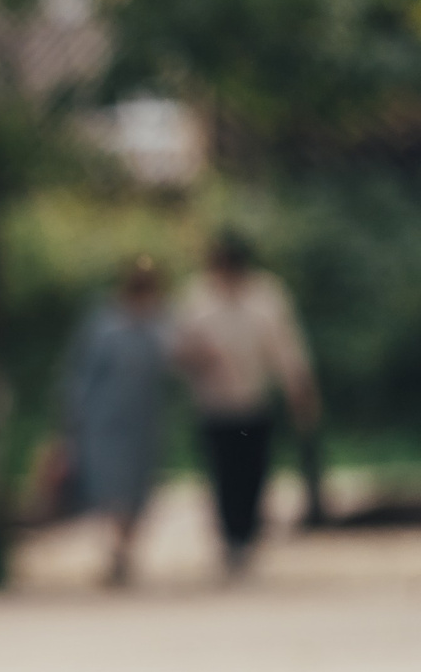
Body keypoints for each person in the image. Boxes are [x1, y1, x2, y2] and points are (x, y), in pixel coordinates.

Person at [170, 231, 320, 576]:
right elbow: (177, 348)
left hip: (253, 401)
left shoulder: (267, 296)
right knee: (222, 472)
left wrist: (299, 389)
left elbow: (287, 347)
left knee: (253, 470)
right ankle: (230, 536)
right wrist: (198, 358)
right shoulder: (196, 297)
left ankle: (248, 533)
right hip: (213, 404)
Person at [58, 256, 173, 587]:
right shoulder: (105, 326)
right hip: (106, 420)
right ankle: (117, 549)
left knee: (139, 487)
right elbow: (81, 376)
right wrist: (72, 420)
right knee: (110, 485)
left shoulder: (159, 324)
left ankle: (125, 548)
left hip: (145, 421)